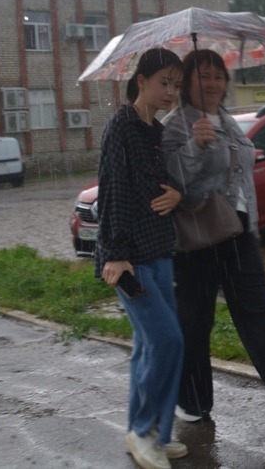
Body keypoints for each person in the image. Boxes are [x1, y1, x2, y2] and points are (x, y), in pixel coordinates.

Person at [160, 49, 265, 428]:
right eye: (203, 76)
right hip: (198, 237)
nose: (212, 83)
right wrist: (194, 146)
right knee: (195, 323)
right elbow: (173, 184)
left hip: (236, 232)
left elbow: (242, 177)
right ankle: (192, 401)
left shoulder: (227, 121)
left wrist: (252, 223)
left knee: (258, 314)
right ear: (187, 81)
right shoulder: (175, 126)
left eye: (218, 76)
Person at [95, 47, 189, 469]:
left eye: (177, 85)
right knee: (167, 341)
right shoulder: (122, 126)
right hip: (130, 259)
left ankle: (153, 433)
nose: (171, 92)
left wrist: (177, 194)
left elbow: (162, 183)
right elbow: (112, 189)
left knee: (149, 346)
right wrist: (115, 254)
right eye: (164, 82)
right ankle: (142, 430)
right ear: (141, 82)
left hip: (159, 249)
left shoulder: (157, 131)